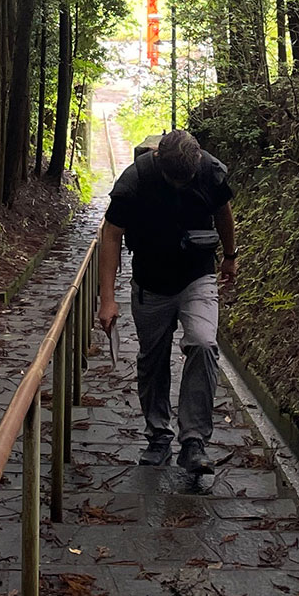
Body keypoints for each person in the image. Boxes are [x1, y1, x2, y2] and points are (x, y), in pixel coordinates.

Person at [97, 126, 237, 486]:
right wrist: (107, 299)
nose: (179, 185)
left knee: (204, 344)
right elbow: (111, 235)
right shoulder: (135, 181)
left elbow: (223, 211)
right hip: (151, 283)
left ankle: (194, 441)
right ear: (159, 161)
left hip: (197, 276)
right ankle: (158, 434)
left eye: (185, 179)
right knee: (153, 356)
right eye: (174, 179)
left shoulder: (210, 171)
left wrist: (230, 257)